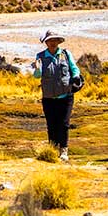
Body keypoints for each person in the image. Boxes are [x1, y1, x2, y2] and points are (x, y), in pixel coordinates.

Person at [33, 30, 81, 161]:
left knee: (64, 124)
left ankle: (63, 150)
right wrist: (37, 68)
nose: (52, 43)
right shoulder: (40, 56)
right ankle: (52, 150)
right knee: (51, 124)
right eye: (50, 40)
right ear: (46, 42)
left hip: (66, 95)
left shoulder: (65, 54)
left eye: (55, 40)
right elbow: (37, 76)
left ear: (59, 41)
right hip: (48, 97)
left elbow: (74, 68)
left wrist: (76, 76)